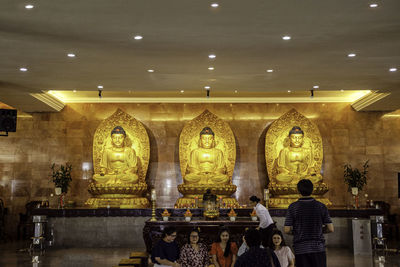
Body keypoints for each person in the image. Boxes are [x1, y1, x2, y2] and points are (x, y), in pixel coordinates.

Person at [284, 179, 334, 267]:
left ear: (298, 190)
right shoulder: (321, 206)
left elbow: (287, 230)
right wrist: (319, 231)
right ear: (312, 190)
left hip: (300, 248)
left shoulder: (293, 207)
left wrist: (297, 232)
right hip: (318, 248)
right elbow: (330, 228)